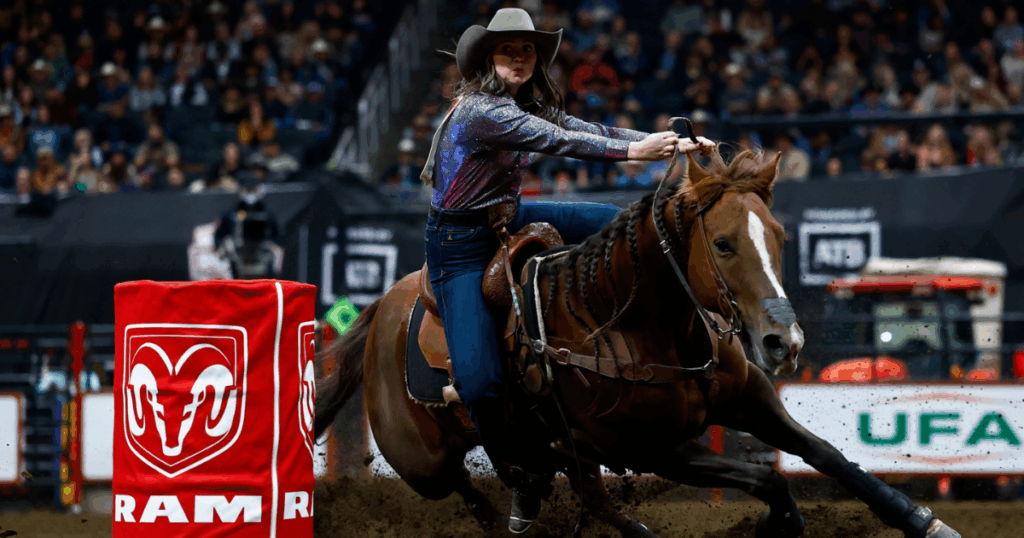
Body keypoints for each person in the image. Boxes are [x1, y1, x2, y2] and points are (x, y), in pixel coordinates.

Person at [420, 8, 714, 533]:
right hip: (458, 247)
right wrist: (634, 151)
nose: (518, 57)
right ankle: (518, 474)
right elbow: (563, 142)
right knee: (482, 381)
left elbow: (583, 128)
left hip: (507, 216)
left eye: (526, 49)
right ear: (489, 57)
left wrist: (667, 142)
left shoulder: (519, 104)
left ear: (536, 58)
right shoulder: (482, 111)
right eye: (508, 49)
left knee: (618, 224)